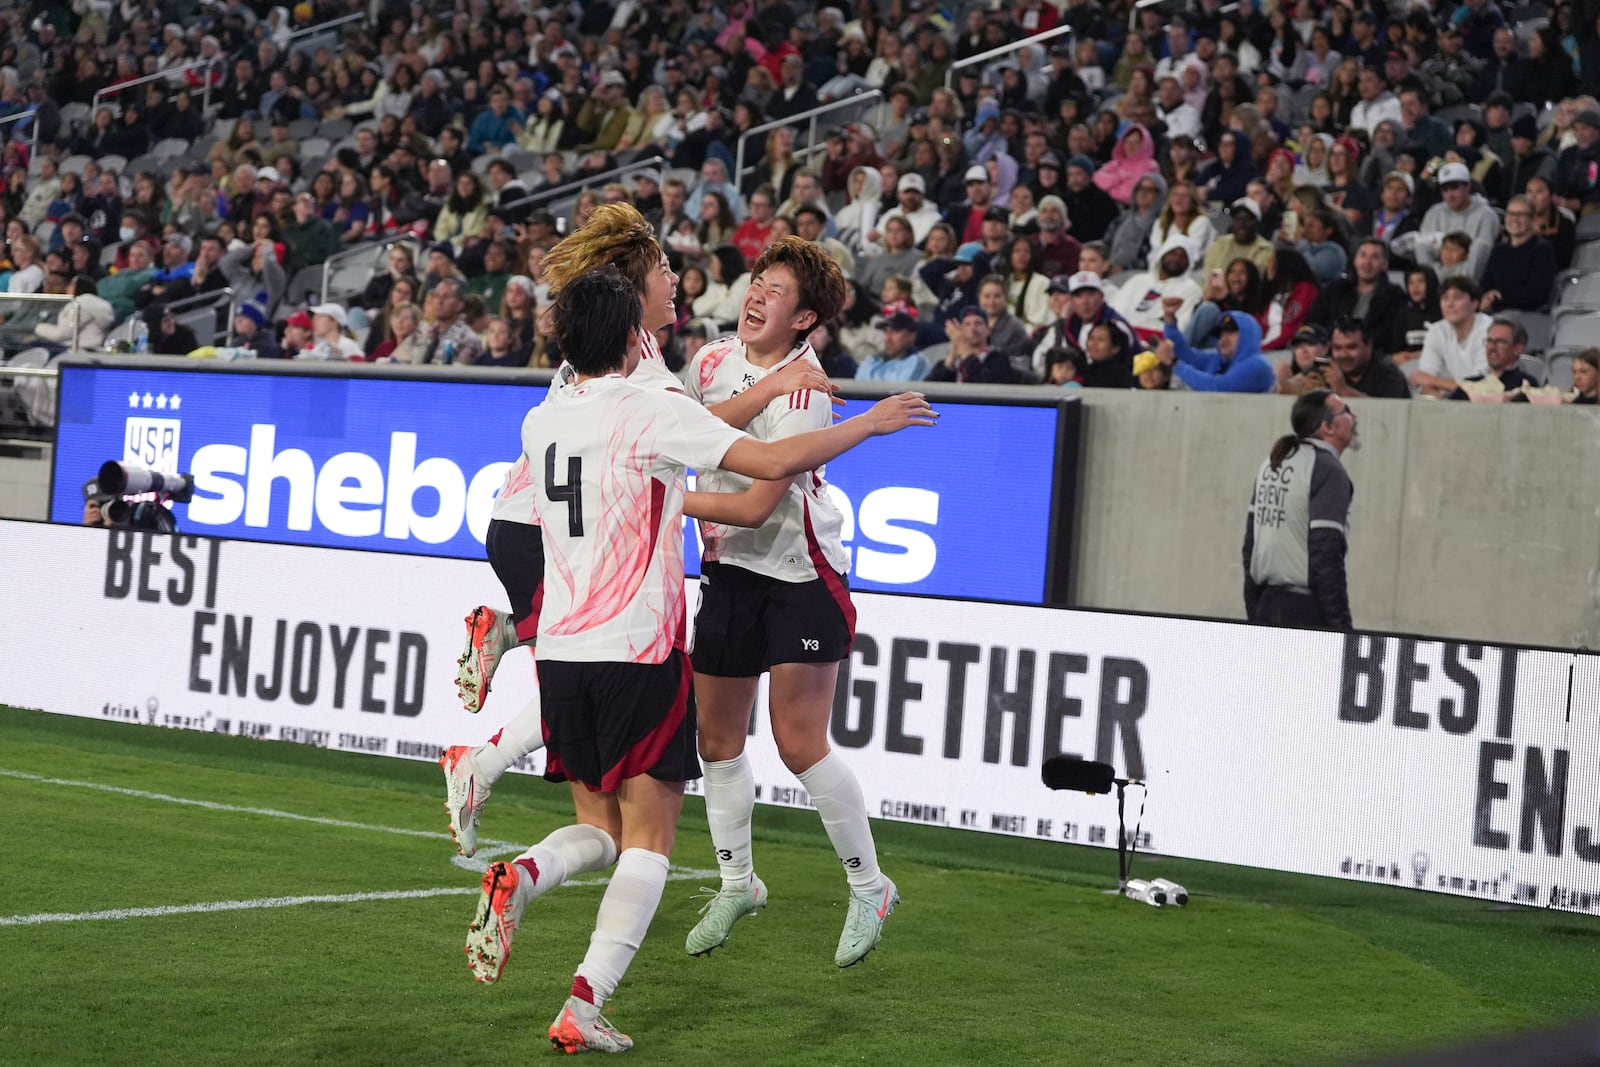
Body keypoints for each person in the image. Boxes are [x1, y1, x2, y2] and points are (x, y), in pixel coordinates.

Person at [462, 265, 934, 1054]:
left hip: (566, 655)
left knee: (601, 827)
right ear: (630, 337)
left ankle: (526, 865)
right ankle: (584, 999)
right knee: (646, 839)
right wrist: (871, 425)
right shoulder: (653, 408)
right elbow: (767, 466)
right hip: (639, 650)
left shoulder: (541, 422)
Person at [441, 206, 834, 851]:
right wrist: (778, 388)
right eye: (663, 268)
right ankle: (481, 762)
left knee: (580, 665)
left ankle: (504, 658)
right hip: (547, 532)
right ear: (632, 287)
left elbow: (689, 424)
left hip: (531, 526)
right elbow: (702, 435)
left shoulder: (618, 347)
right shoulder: (636, 363)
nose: (675, 277)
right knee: (597, 663)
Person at [682, 236, 909, 971]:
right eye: (756, 281)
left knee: (798, 742)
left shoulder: (806, 388)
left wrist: (657, 503)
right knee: (715, 741)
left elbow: (754, 503)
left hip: (799, 575)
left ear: (805, 317)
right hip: (729, 572)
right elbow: (686, 427)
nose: (755, 295)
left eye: (775, 290)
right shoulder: (711, 359)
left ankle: (870, 887)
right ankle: (737, 882)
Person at [1242, 389, 1357, 630]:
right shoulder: (1328, 469)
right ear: (1328, 427)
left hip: (1266, 605)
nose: (1353, 416)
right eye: (1346, 411)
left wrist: (1254, 610)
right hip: (1304, 612)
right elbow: (1325, 551)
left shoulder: (1272, 462)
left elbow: (1251, 545)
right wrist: (1341, 628)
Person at [1156, 302, 1275, 393]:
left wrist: (1175, 364)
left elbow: (1219, 388)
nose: (1223, 338)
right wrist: (1170, 320)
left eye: (1230, 332)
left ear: (1248, 335)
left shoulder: (1257, 365)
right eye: (1220, 334)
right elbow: (1185, 355)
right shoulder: (1217, 360)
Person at [1411, 276, 1491, 397]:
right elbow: (1423, 383)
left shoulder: (1490, 330)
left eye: (1457, 298)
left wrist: (1434, 381)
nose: (1450, 304)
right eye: (1445, 298)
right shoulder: (1437, 331)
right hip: (1458, 402)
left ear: (1474, 304)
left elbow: (1483, 387)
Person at [1479, 196, 1556, 313]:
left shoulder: (1541, 250)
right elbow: (1484, 284)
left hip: (1526, 315)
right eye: (1510, 214)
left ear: (1532, 218)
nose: (1514, 219)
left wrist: (1498, 299)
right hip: (1494, 312)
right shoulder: (1498, 250)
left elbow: (1537, 293)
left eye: (1521, 215)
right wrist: (1487, 296)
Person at [1324, 318, 1412, 399]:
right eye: (1337, 348)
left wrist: (1343, 389)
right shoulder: (1327, 370)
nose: (1343, 355)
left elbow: (1385, 412)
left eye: (1351, 347)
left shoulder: (1388, 373)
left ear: (1369, 345)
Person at [1448, 317, 1532, 400]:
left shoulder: (1527, 387)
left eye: (1500, 342)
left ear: (1517, 349)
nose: (1492, 347)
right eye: (1489, 341)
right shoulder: (1469, 386)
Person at [857, 309, 930, 381]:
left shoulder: (917, 362)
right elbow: (856, 390)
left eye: (895, 331)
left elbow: (902, 392)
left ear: (911, 336)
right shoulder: (871, 360)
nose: (888, 338)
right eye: (886, 331)